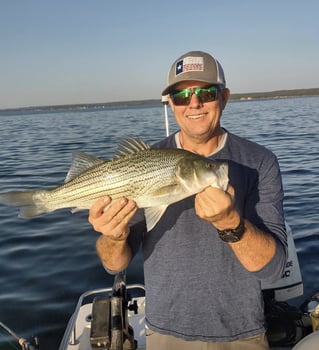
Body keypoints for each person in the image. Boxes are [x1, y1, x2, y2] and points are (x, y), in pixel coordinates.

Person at [88, 51, 288, 350]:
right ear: (170, 103)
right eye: (181, 96)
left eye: (206, 92)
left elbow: (273, 269)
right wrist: (113, 236)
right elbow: (114, 263)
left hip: (242, 332)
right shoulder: (145, 163)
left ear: (225, 96)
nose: (194, 103)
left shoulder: (260, 162)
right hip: (166, 331)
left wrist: (231, 224)